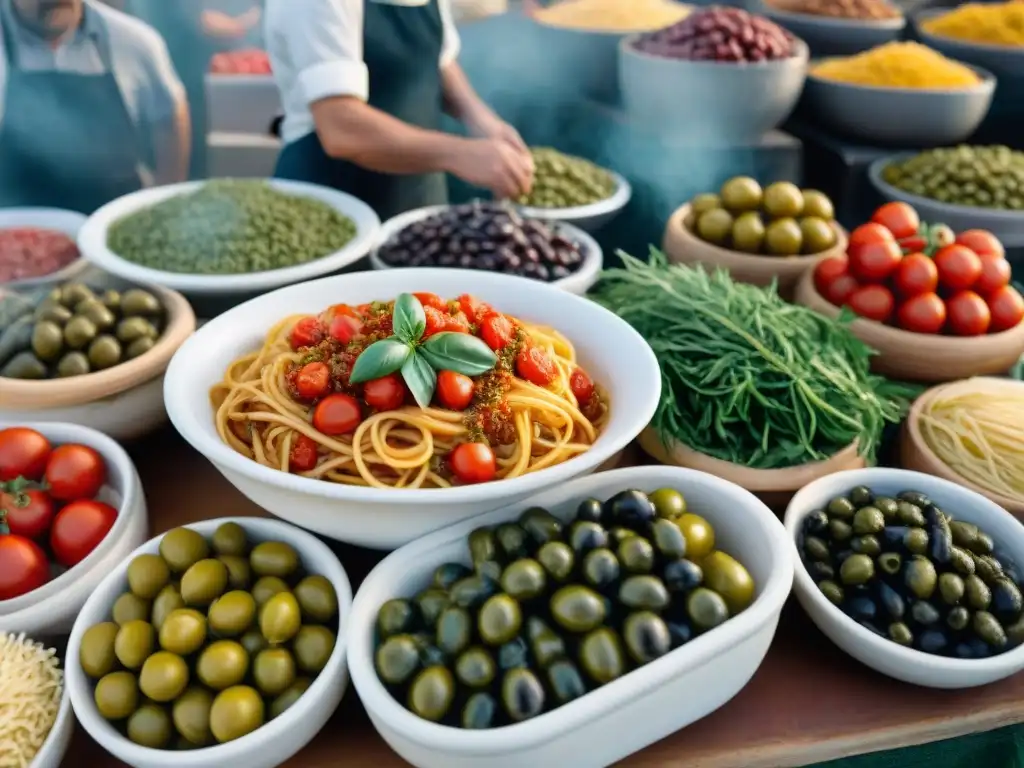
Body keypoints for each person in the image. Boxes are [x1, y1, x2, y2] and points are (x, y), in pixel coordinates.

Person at [265, 0, 534, 220]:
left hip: (416, 191)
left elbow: (437, 59)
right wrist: (460, 153)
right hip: (330, 201)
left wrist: (481, 120)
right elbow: (340, 127)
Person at [0, 0, 190, 213]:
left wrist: (164, 200)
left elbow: (169, 114)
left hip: (116, 220)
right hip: (12, 224)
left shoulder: (134, 41)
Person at [125, 0, 263, 179]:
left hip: (150, 83)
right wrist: (246, 21)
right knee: (189, 163)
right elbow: (202, 23)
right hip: (181, 80)